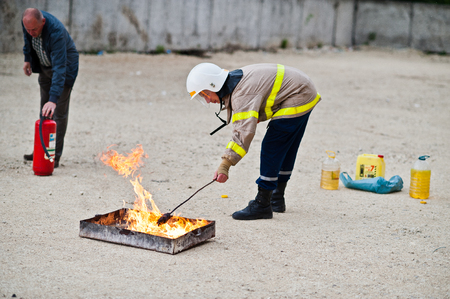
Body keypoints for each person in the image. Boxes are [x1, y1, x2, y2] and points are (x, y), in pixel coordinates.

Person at [186, 63, 321, 220]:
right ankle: (276, 199)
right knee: (286, 146)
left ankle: (263, 203)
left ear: (213, 85)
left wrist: (225, 165)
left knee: (273, 145)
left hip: (298, 94)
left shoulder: (241, 94)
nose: (208, 100)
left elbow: (243, 134)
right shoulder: (235, 82)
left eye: (205, 94)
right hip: (303, 90)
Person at [22, 8, 79, 168]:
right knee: (44, 110)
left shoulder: (56, 32)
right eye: (28, 29)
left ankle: (54, 156)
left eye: (35, 29)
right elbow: (27, 40)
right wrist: (27, 59)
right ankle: (41, 150)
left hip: (65, 67)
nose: (31, 32)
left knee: (57, 113)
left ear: (43, 22)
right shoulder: (28, 23)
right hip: (45, 64)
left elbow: (60, 68)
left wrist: (53, 99)